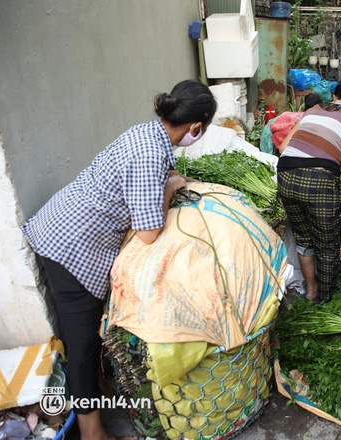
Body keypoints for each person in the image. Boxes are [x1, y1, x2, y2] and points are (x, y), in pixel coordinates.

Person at [21, 80, 216, 440]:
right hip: (70, 246)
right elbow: (147, 233)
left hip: (66, 228)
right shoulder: (151, 153)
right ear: (196, 127)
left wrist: (166, 181)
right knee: (81, 346)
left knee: (88, 336)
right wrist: (170, 189)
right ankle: (93, 433)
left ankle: (98, 396)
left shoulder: (148, 133)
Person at [277, 75, 341, 304]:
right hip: (319, 180)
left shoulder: (313, 109)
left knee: (304, 238)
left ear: (335, 96)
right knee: (328, 245)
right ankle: (325, 301)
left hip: (286, 175)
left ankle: (310, 291)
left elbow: (283, 148)